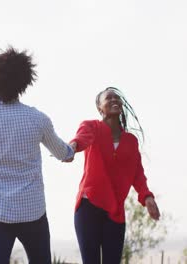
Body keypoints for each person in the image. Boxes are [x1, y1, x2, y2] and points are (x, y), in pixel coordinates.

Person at [0, 46, 74, 264]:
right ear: (25, 83)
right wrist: (72, 148)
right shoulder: (38, 119)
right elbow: (63, 153)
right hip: (33, 212)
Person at [67, 87, 160, 263]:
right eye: (108, 98)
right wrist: (71, 147)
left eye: (117, 98)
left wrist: (147, 197)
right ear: (100, 108)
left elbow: (137, 173)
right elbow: (81, 139)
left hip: (115, 211)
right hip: (88, 207)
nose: (114, 100)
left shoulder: (130, 141)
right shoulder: (91, 127)